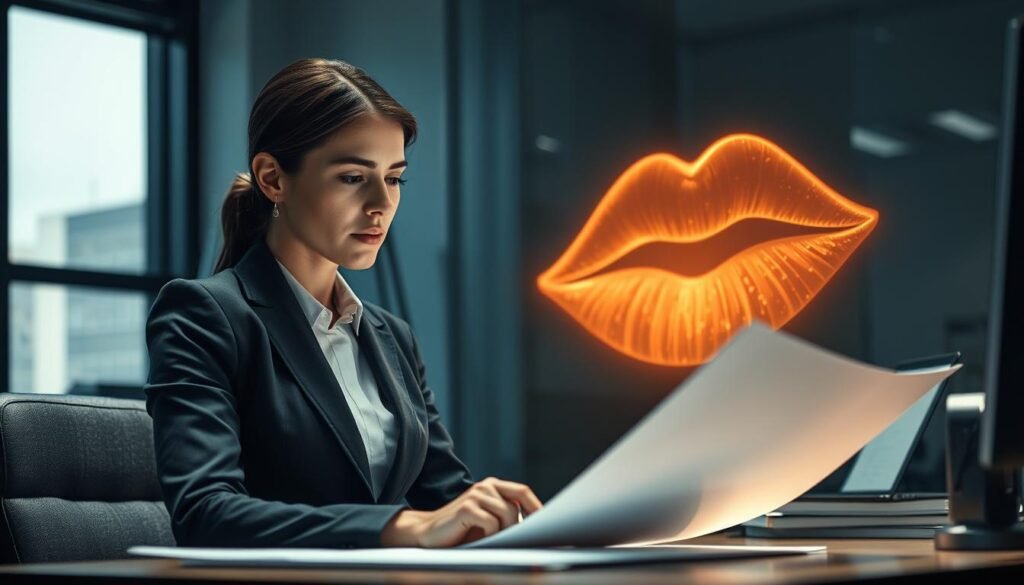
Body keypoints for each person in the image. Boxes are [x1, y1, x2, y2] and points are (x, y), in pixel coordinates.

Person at [143, 57, 542, 549]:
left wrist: (515, 520)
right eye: (354, 177)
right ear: (272, 178)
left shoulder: (391, 335)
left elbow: (443, 498)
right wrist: (404, 527)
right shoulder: (203, 315)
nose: (381, 203)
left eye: (394, 178)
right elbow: (205, 514)